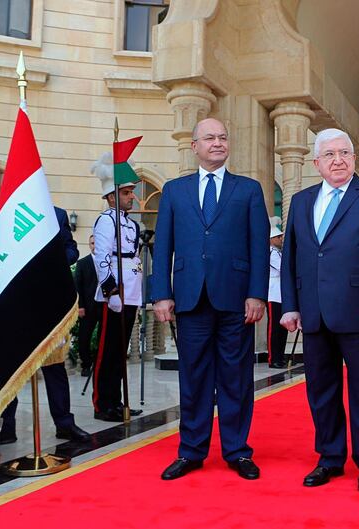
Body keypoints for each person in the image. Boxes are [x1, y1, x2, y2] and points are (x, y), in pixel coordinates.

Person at [280, 128, 359, 493]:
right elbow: (292, 259)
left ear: (353, 159)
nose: (338, 160)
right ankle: (330, 458)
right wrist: (290, 306)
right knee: (321, 390)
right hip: (314, 314)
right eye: (330, 154)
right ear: (316, 163)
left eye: (345, 153)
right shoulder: (301, 202)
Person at [152, 118, 270, 481]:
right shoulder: (174, 191)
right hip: (189, 299)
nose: (217, 143)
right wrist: (161, 294)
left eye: (222, 138)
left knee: (236, 378)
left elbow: (258, 245)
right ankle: (191, 451)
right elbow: (163, 247)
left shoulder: (248, 190)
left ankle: (237, 451)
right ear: (195, 146)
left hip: (236, 299)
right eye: (209, 138)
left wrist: (257, 294)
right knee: (194, 378)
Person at [0, 206, 90, 444]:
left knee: (55, 367)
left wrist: (48, 259)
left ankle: (64, 424)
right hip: (8, 305)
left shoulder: (55, 214)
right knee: (8, 366)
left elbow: (71, 250)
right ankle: (7, 424)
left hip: (47, 306)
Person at [91, 153, 143, 422]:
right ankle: (103, 403)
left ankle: (117, 401)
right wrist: (111, 291)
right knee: (108, 349)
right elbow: (101, 257)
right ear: (111, 197)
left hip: (131, 291)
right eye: (126, 193)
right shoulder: (106, 221)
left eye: (131, 192)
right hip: (116, 292)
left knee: (120, 350)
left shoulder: (130, 224)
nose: (131, 197)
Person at [74, 234, 102, 377]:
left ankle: (100, 364)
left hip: (104, 307)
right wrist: (80, 306)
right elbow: (77, 286)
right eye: (92, 243)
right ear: (89, 245)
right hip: (88, 307)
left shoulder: (108, 262)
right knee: (84, 338)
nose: (94, 246)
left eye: (97, 243)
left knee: (103, 337)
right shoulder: (82, 263)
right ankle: (86, 365)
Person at [267, 216, 289, 369]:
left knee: (282, 327)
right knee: (274, 328)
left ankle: (280, 357)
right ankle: (273, 357)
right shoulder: (269, 253)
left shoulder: (278, 252)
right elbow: (283, 268)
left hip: (282, 294)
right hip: (273, 294)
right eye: (278, 236)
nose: (281, 238)